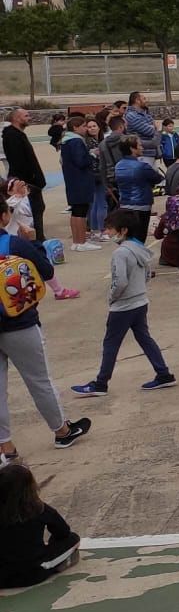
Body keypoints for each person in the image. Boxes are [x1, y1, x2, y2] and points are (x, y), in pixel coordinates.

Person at [0, 231, 90, 460]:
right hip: (19, 324)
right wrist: (33, 242)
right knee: (39, 381)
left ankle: (6, 448)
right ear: (2, 216)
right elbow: (46, 270)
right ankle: (62, 431)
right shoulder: (14, 243)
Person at [71, 209, 175, 397]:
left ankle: (101, 383)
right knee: (144, 338)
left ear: (123, 230)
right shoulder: (140, 249)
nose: (107, 233)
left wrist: (112, 296)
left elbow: (120, 281)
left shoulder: (121, 253)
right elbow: (146, 274)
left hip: (123, 306)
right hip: (140, 301)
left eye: (110, 229)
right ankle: (164, 373)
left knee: (111, 343)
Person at [0, 461, 80, 590]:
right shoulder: (38, 508)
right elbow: (63, 532)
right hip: (33, 573)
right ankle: (55, 564)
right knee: (73, 539)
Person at [1, 108, 47, 250]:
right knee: (32, 211)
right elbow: (18, 160)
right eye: (26, 116)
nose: (29, 117)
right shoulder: (12, 136)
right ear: (16, 118)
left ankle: (38, 238)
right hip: (25, 181)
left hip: (31, 180)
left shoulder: (19, 134)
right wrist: (29, 180)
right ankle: (36, 241)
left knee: (38, 209)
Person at [57, 119, 102, 255]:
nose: (86, 129)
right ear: (75, 128)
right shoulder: (76, 141)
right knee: (81, 212)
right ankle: (81, 241)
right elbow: (81, 161)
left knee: (76, 211)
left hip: (72, 180)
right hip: (80, 180)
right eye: (83, 126)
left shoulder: (66, 141)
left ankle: (77, 242)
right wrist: (92, 154)